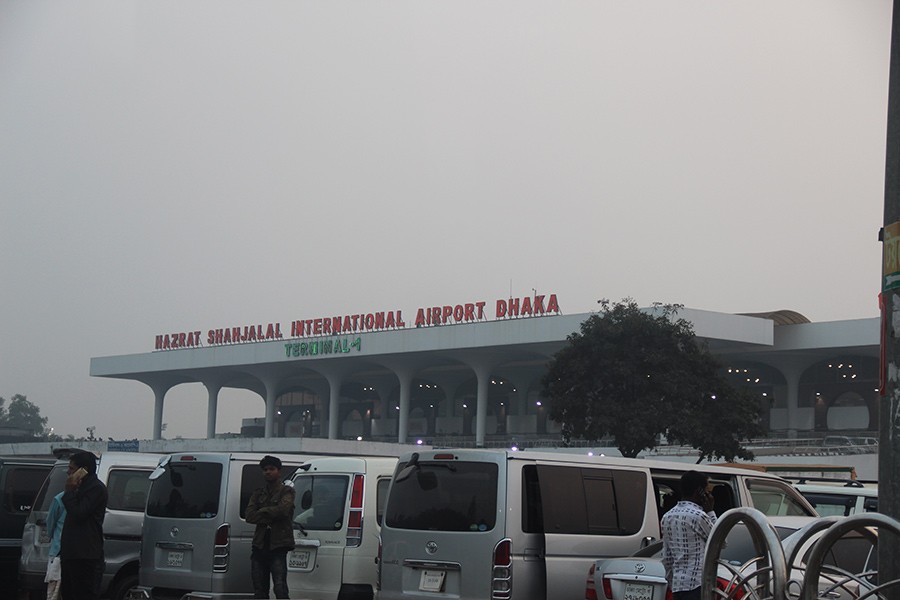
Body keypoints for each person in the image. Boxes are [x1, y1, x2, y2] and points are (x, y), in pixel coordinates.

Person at [661, 470, 717, 600]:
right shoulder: (699, 516)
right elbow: (720, 541)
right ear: (700, 491)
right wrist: (710, 511)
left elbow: (666, 557)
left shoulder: (667, 516)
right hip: (697, 584)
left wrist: (672, 581)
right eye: (706, 489)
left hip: (678, 584)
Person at [60, 451, 108, 600]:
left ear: (84, 470)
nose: (68, 472)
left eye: (72, 469)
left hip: (86, 556)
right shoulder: (78, 487)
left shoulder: (96, 489)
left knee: (84, 594)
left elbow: (79, 513)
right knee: (69, 593)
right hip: (71, 554)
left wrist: (69, 492)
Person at [246, 455, 296, 599]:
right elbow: (249, 516)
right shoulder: (258, 493)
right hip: (259, 546)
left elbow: (283, 510)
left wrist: (262, 511)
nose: (268, 472)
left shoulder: (287, 491)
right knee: (259, 590)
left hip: (278, 546)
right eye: (265, 469)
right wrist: (270, 513)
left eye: (271, 469)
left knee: (280, 588)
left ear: (279, 471)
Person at [44, 490, 66, 600]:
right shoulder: (83, 500)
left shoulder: (59, 499)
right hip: (74, 552)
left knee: (52, 592)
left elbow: (50, 523)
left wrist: (52, 535)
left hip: (57, 550)